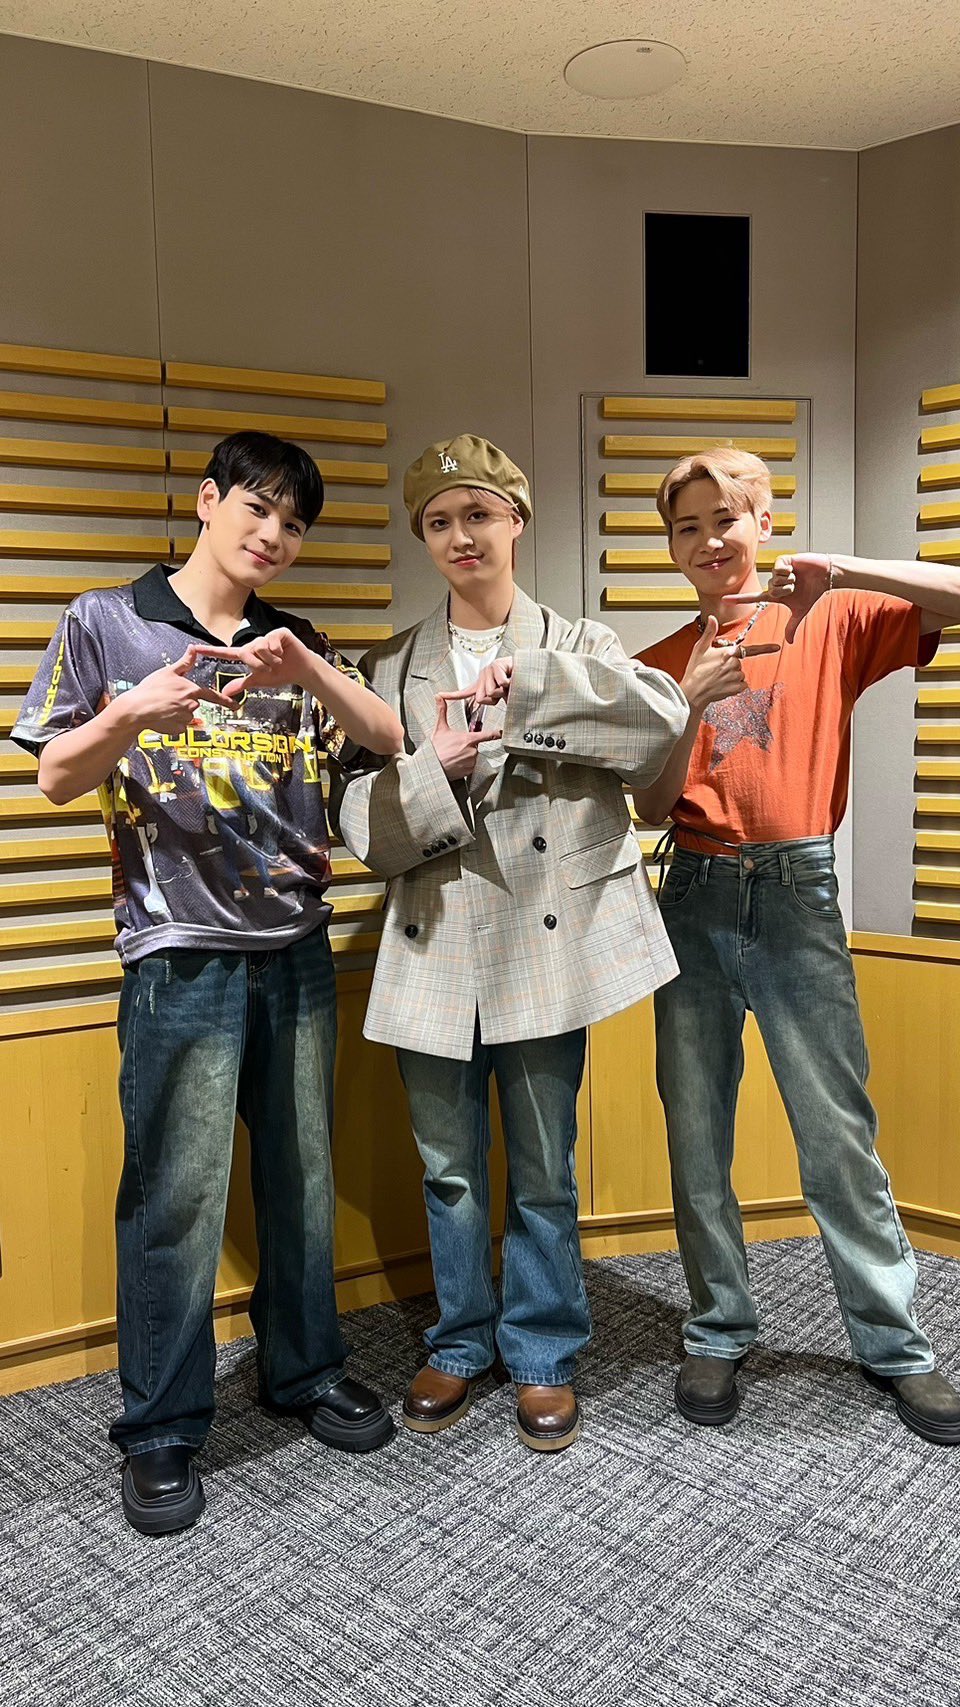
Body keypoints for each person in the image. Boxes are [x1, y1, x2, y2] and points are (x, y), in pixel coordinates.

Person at [13, 431, 405, 1534]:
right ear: (207, 499)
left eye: (293, 523)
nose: (272, 534)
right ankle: (162, 1425)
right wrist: (132, 712)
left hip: (296, 947)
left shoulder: (295, 640)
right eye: (257, 508)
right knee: (177, 1197)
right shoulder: (108, 621)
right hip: (177, 949)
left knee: (301, 1175)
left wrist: (308, 667)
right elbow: (53, 776)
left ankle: (304, 1369)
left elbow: (386, 738)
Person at [328, 434, 688, 1451]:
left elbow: (657, 726)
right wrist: (434, 769)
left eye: (479, 514)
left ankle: (542, 1351)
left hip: (545, 943)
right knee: (447, 1168)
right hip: (433, 936)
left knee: (543, 1163)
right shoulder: (389, 667)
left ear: (516, 521)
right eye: (440, 521)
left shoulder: (577, 642)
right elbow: (358, 825)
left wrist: (526, 687)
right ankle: (459, 1339)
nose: (462, 537)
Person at [632, 445, 960, 1444]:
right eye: (687, 527)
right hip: (693, 889)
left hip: (796, 890)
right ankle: (718, 1327)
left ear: (763, 524)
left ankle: (896, 1344)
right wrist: (687, 699)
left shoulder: (831, 617)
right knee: (696, 1126)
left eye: (724, 519)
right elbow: (647, 803)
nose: (707, 542)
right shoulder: (660, 660)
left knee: (835, 1129)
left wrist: (840, 569)